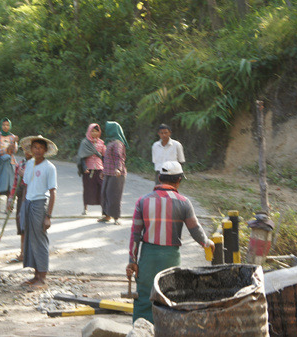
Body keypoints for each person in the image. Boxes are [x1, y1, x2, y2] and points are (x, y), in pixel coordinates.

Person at [126, 161, 214, 323]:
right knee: (169, 296)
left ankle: (140, 331)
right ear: (179, 180)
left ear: (159, 178)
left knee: (145, 296)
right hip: (171, 257)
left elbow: (135, 233)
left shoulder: (143, 201)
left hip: (148, 256)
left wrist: (132, 260)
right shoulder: (183, 202)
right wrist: (207, 243)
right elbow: (195, 230)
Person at [20, 135, 57, 288]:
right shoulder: (29, 164)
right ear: (31, 149)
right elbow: (26, 185)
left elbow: (53, 192)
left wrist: (48, 216)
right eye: (35, 147)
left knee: (40, 239)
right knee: (30, 239)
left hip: (40, 204)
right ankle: (35, 275)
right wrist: (22, 206)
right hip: (28, 203)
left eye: (41, 147)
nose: (37, 150)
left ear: (45, 150)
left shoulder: (49, 167)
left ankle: (43, 278)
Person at [6, 147, 33, 263]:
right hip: (21, 195)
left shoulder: (38, 165)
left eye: (30, 149)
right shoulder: (20, 164)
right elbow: (15, 183)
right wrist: (10, 199)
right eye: (26, 149)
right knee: (21, 223)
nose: (28, 152)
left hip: (33, 196)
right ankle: (22, 253)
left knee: (31, 225)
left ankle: (31, 254)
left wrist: (26, 174)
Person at [99, 121, 128, 226]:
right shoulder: (110, 142)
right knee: (104, 194)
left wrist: (118, 169)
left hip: (117, 174)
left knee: (114, 195)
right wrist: (104, 171)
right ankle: (106, 215)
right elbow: (107, 159)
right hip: (108, 173)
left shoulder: (117, 143)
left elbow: (118, 157)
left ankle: (116, 217)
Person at [76, 123, 106, 215]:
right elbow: (81, 157)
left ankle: (104, 210)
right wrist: (84, 167)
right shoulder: (85, 142)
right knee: (87, 188)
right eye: (92, 131)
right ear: (89, 131)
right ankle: (85, 208)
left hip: (99, 168)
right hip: (88, 170)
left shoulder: (101, 142)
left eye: (96, 131)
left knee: (101, 189)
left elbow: (104, 156)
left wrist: (105, 169)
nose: (94, 133)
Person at [0, 118, 18, 212]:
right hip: (0, 162)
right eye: (3, 125)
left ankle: (7, 207)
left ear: (10, 126)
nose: (5, 127)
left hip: (9, 163)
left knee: (9, 185)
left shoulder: (12, 137)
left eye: (7, 125)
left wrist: (14, 142)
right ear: (1, 126)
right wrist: (5, 151)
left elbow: (14, 151)